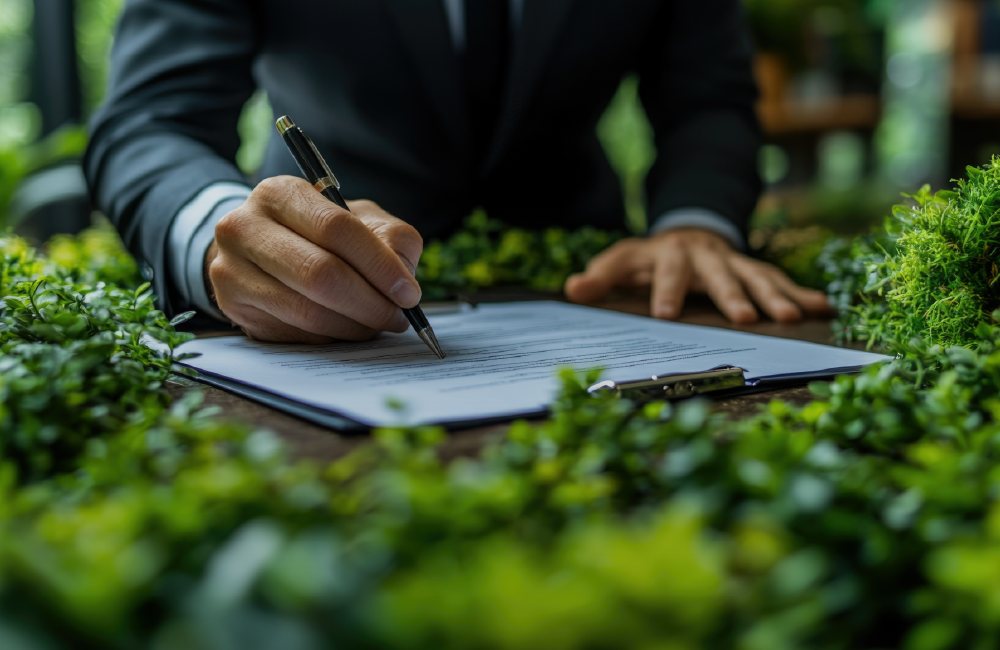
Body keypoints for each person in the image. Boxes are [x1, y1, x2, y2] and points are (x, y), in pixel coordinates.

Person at [85, 0, 830, 344]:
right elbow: (151, 121)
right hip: (307, 280)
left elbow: (710, 101)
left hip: (589, 283)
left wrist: (693, 221)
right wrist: (217, 234)